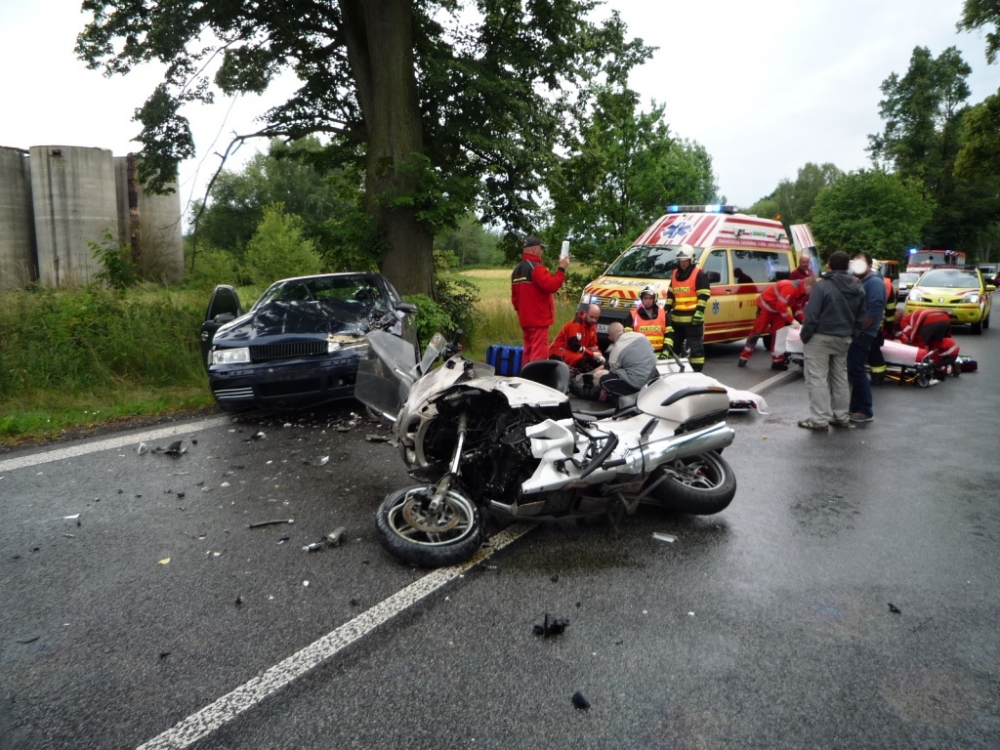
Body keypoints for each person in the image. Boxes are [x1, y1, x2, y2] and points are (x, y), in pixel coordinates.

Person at [797, 251, 867, 432]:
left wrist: (805, 335)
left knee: (817, 378)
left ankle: (819, 419)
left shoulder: (823, 286)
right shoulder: (858, 286)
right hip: (844, 338)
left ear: (829, 265)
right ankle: (841, 416)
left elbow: (812, 314)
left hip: (820, 337)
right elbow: (861, 315)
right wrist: (853, 333)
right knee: (840, 377)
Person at [511, 235, 569, 364]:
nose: (542, 252)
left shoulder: (516, 271)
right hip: (539, 321)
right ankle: (536, 376)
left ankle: (526, 375)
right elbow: (551, 285)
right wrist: (562, 268)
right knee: (539, 355)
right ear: (535, 249)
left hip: (525, 320)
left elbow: (515, 299)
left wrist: (523, 312)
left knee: (528, 352)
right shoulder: (536, 268)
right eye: (541, 249)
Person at [738, 277, 816, 369]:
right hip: (766, 308)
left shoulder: (800, 292)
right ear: (806, 285)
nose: (811, 292)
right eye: (812, 289)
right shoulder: (790, 288)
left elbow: (797, 308)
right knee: (757, 332)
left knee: (779, 335)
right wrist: (792, 320)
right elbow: (780, 306)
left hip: (778, 311)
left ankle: (777, 361)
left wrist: (804, 320)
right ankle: (744, 356)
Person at [570, 322, 657, 402]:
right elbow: (651, 350)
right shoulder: (641, 336)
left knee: (604, 380)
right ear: (624, 330)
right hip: (652, 380)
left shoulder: (616, 351)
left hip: (637, 384)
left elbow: (612, 374)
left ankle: (594, 394)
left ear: (610, 338)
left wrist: (604, 388)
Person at [847, 253, 886, 423]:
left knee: (857, 370)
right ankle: (855, 408)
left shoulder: (874, 282)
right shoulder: (861, 281)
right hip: (858, 332)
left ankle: (864, 409)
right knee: (854, 370)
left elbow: (873, 312)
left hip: (863, 333)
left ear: (869, 266)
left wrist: (857, 330)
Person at [664, 244, 710, 371]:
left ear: (691, 260)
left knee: (695, 347)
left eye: (685, 260)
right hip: (677, 320)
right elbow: (671, 294)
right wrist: (666, 309)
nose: (683, 263)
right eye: (680, 260)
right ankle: (675, 369)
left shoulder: (699, 274)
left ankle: (697, 371)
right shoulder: (675, 274)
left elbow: (704, 295)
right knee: (675, 346)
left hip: (693, 319)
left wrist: (699, 312)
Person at [549, 303, 605, 372]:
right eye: (591, 317)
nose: (593, 320)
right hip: (558, 351)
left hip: (574, 352)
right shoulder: (576, 324)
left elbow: (593, 346)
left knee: (598, 361)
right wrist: (592, 354)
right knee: (580, 358)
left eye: (596, 318)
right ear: (585, 313)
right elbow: (574, 346)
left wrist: (599, 355)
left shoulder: (592, 327)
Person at [895, 308, 959, 366]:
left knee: (919, 345)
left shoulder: (904, 320)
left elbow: (910, 333)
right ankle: (934, 364)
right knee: (935, 345)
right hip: (945, 318)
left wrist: (910, 344)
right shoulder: (913, 315)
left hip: (930, 320)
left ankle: (920, 364)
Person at [630, 285, 670, 352]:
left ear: (654, 299)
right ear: (641, 299)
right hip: (639, 353)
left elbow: (669, 335)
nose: (648, 301)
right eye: (645, 298)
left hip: (659, 353)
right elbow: (628, 336)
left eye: (650, 298)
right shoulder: (633, 315)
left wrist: (666, 352)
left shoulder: (663, 314)